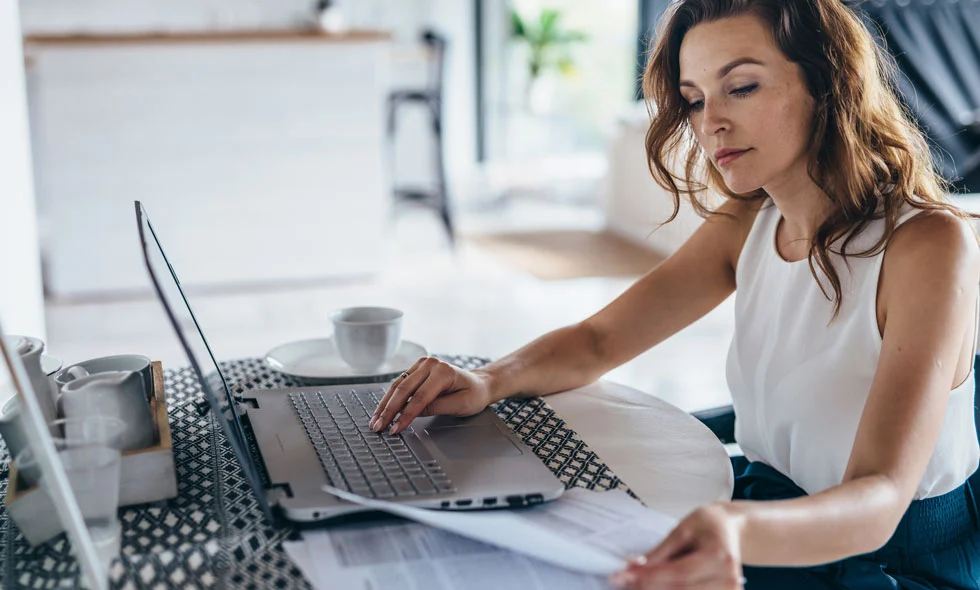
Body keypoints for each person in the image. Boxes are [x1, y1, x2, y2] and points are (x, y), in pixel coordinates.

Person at [371, 0, 980, 587]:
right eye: (693, 99)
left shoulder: (927, 246)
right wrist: (488, 380)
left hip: (890, 562)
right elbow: (599, 339)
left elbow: (878, 500)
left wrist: (733, 531)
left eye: (741, 87)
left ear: (827, 82)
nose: (710, 121)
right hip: (761, 518)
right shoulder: (750, 220)